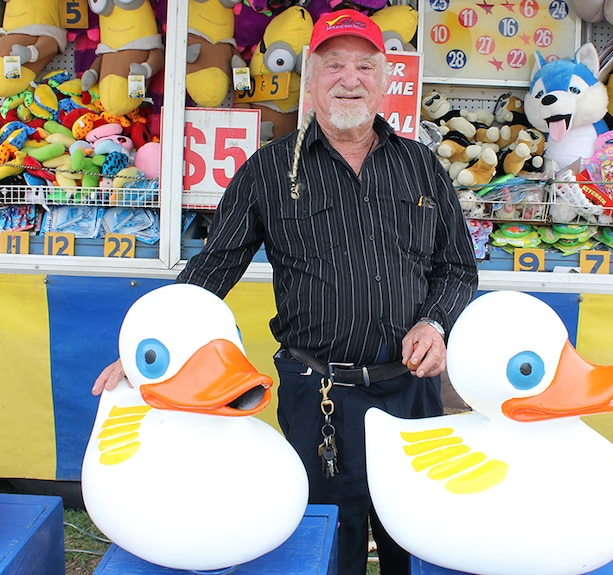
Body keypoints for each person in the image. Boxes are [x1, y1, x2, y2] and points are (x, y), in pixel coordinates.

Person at [94, 8, 478, 575]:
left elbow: (457, 269)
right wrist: (149, 348)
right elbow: (215, 267)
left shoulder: (421, 167)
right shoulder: (270, 171)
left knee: (415, 542)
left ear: (385, 78)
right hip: (316, 393)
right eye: (334, 65)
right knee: (325, 545)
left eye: (365, 66)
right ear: (311, 79)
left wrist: (436, 324)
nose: (350, 78)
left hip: (411, 394)